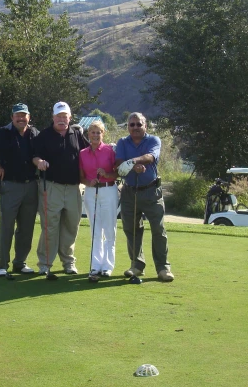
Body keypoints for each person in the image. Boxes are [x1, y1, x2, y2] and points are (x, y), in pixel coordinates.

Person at [0, 103, 39, 277]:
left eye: (23, 115)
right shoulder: (2, 133)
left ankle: (20, 263)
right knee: (7, 227)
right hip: (10, 185)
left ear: (29, 117)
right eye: (17, 115)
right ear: (12, 117)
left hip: (31, 185)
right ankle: (2, 265)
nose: (20, 118)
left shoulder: (34, 133)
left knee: (26, 228)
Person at [32, 101, 90, 277]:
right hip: (52, 187)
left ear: (70, 118)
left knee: (71, 226)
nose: (62, 119)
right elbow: (35, 156)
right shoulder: (44, 135)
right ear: (53, 117)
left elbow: (89, 152)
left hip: (74, 187)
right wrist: (39, 162)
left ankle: (68, 262)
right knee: (50, 226)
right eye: (58, 116)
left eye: (65, 116)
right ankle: (45, 263)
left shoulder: (77, 134)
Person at [115, 112, 174, 282]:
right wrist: (132, 166)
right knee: (131, 230)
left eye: (138, 124)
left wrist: (132, 162)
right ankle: (137, 265)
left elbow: (150, 157)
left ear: (145, 126)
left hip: (151, 192)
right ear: (128, 127)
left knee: (158, 230)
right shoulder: (122, 142)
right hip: (129, 191)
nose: (135, 127)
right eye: (131, 124)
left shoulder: (154, 140)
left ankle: (163, 268)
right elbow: (119, 162)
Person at [79, 119, 118, 281]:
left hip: (109, 190)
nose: (95, 135)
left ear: (103, 134)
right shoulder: (82, 153)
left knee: (109, 229)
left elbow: (118, 173)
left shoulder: (110, 150)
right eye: (93, 132)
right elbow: (81, 177)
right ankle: (96, 265)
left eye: (98, 132)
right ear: (88, 134)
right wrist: (89, 182)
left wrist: (107, 174)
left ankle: (107, 266)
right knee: (95, 230)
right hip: (90, 192)